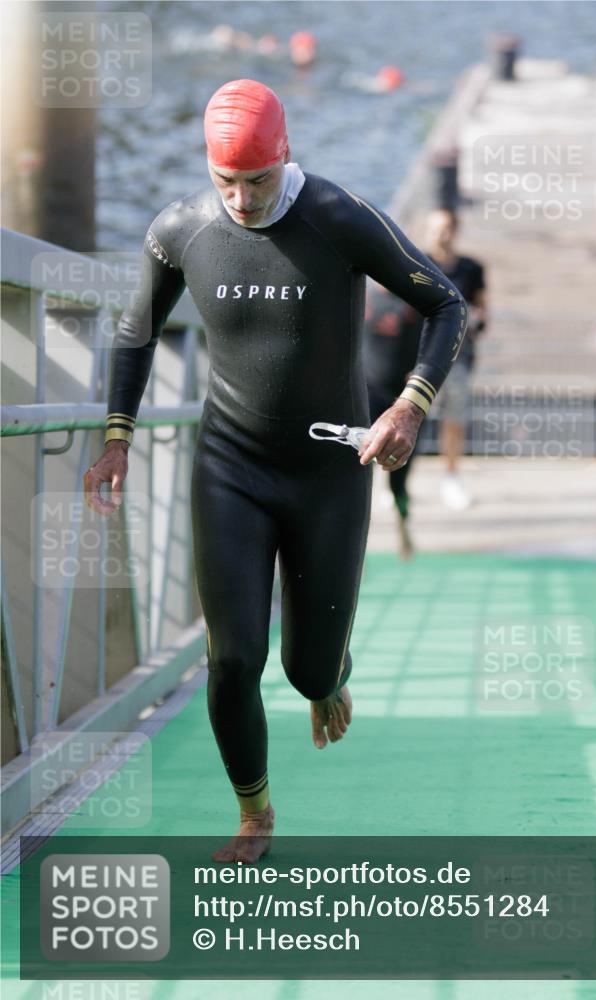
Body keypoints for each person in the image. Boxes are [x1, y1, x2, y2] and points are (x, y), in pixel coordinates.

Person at [84, 80, 467, 863]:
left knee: (306, 670)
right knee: (232, 656)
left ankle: (328, 676)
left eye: (256, 181)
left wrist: (409, 406)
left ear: (284, 154)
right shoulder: (180, 228)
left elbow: (446, 304)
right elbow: (134, 333)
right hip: (231, 466)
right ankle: (253, 813)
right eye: (225, 181)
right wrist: (117, 437)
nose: (242, 199)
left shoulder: (335, 216)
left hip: (329, 472)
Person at [424, 209, 486, 510]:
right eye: (436, 228)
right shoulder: (416, 262)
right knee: (410, 415)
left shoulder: (471, 268)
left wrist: (473, 322)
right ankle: (397, 481)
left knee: (454, 418)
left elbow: (483, 311)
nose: (441, 234)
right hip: (419, 356)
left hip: (457, 357)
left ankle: (451, 476)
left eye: (446, 227)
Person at [363, 284, 423, 558]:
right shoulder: (363, 294)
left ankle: (403, 523)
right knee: (358, 473)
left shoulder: (413, 298)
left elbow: (431, 343)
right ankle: (354, 541)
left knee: (398, 478)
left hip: (401, 401)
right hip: (367, 395)